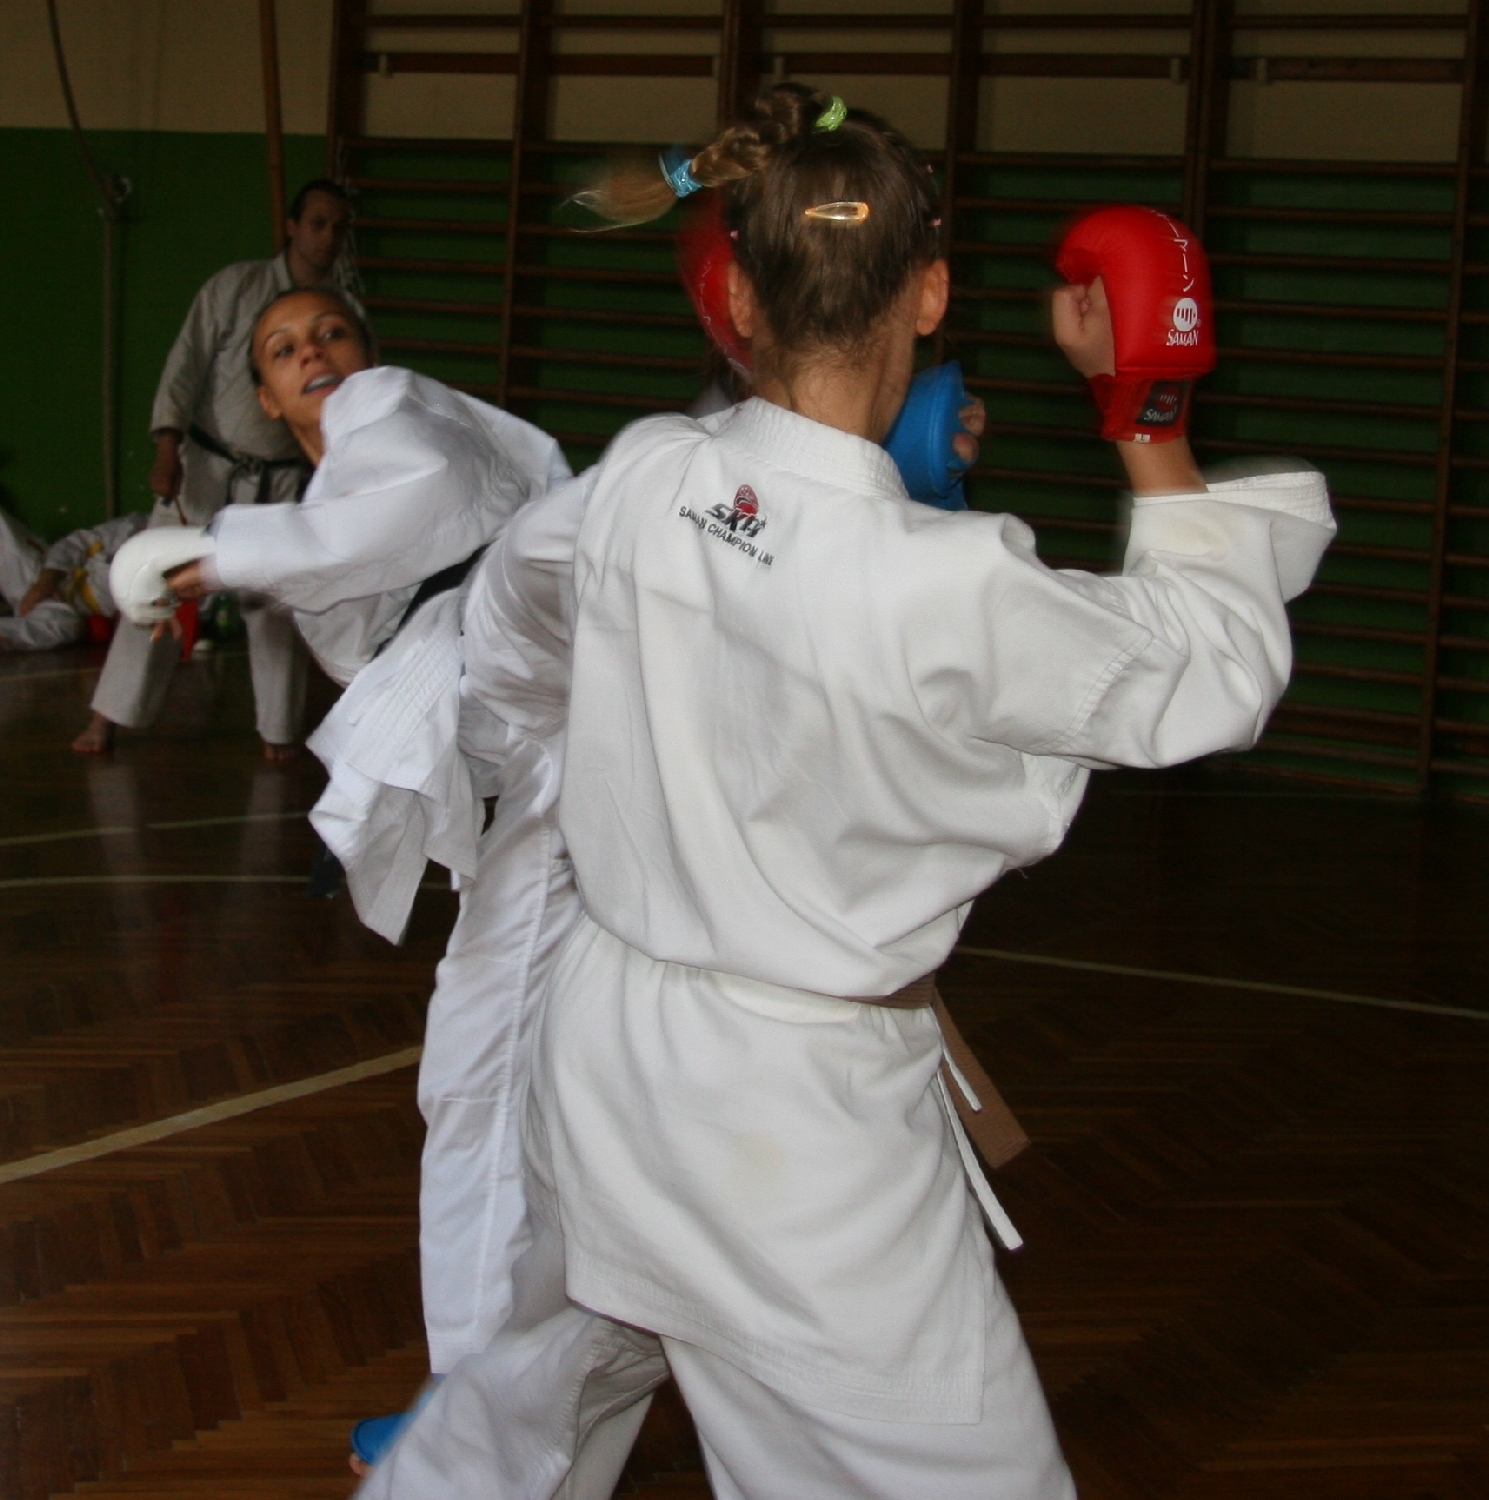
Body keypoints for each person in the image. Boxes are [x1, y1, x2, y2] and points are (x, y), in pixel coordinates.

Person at [354, 85, 1334, 1500]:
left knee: (552, 1375)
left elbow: (512, 612)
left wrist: (556, 750)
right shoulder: (949, 585)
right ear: (928, 293)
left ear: (739, 298)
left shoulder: (642, 474)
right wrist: (1149, 408)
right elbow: (1216, 670)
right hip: (792, 1123)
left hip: (607, 1043)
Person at [73, 179, 359, 759]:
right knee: (154, 582)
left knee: (273, 607)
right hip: (205, 466)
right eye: (317, 223)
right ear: (292, 227)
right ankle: (108, 718)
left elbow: (352, 396)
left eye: (338, 227)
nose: (328, 237)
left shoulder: (343, 311)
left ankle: (278, 733)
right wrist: (166, 448)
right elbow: (184, 367)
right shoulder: (236, 287)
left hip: (285, 479)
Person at [0, 507, 145, 649]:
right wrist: (46, 581)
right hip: (44, 576)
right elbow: (78, 542)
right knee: (10, 540)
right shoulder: (139, 525)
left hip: (66, 612)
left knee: (64, 626)